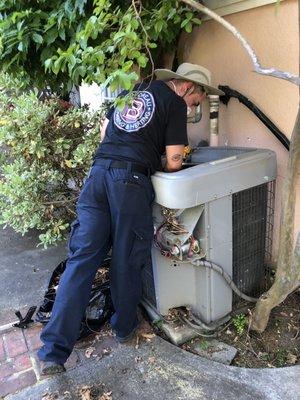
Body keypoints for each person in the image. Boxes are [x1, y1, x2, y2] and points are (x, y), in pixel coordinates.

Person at [37, 63, 224, 375]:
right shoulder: (174, 103)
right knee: (127, 257)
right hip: (130, 182)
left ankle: (53, 352)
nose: (196, 107)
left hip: (97, 177)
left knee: (81, 260)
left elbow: (104, 130)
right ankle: (123, 328)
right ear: (189, 87)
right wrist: (163, 160)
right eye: (198, 100)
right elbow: (176, 161)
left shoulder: (131, 90)